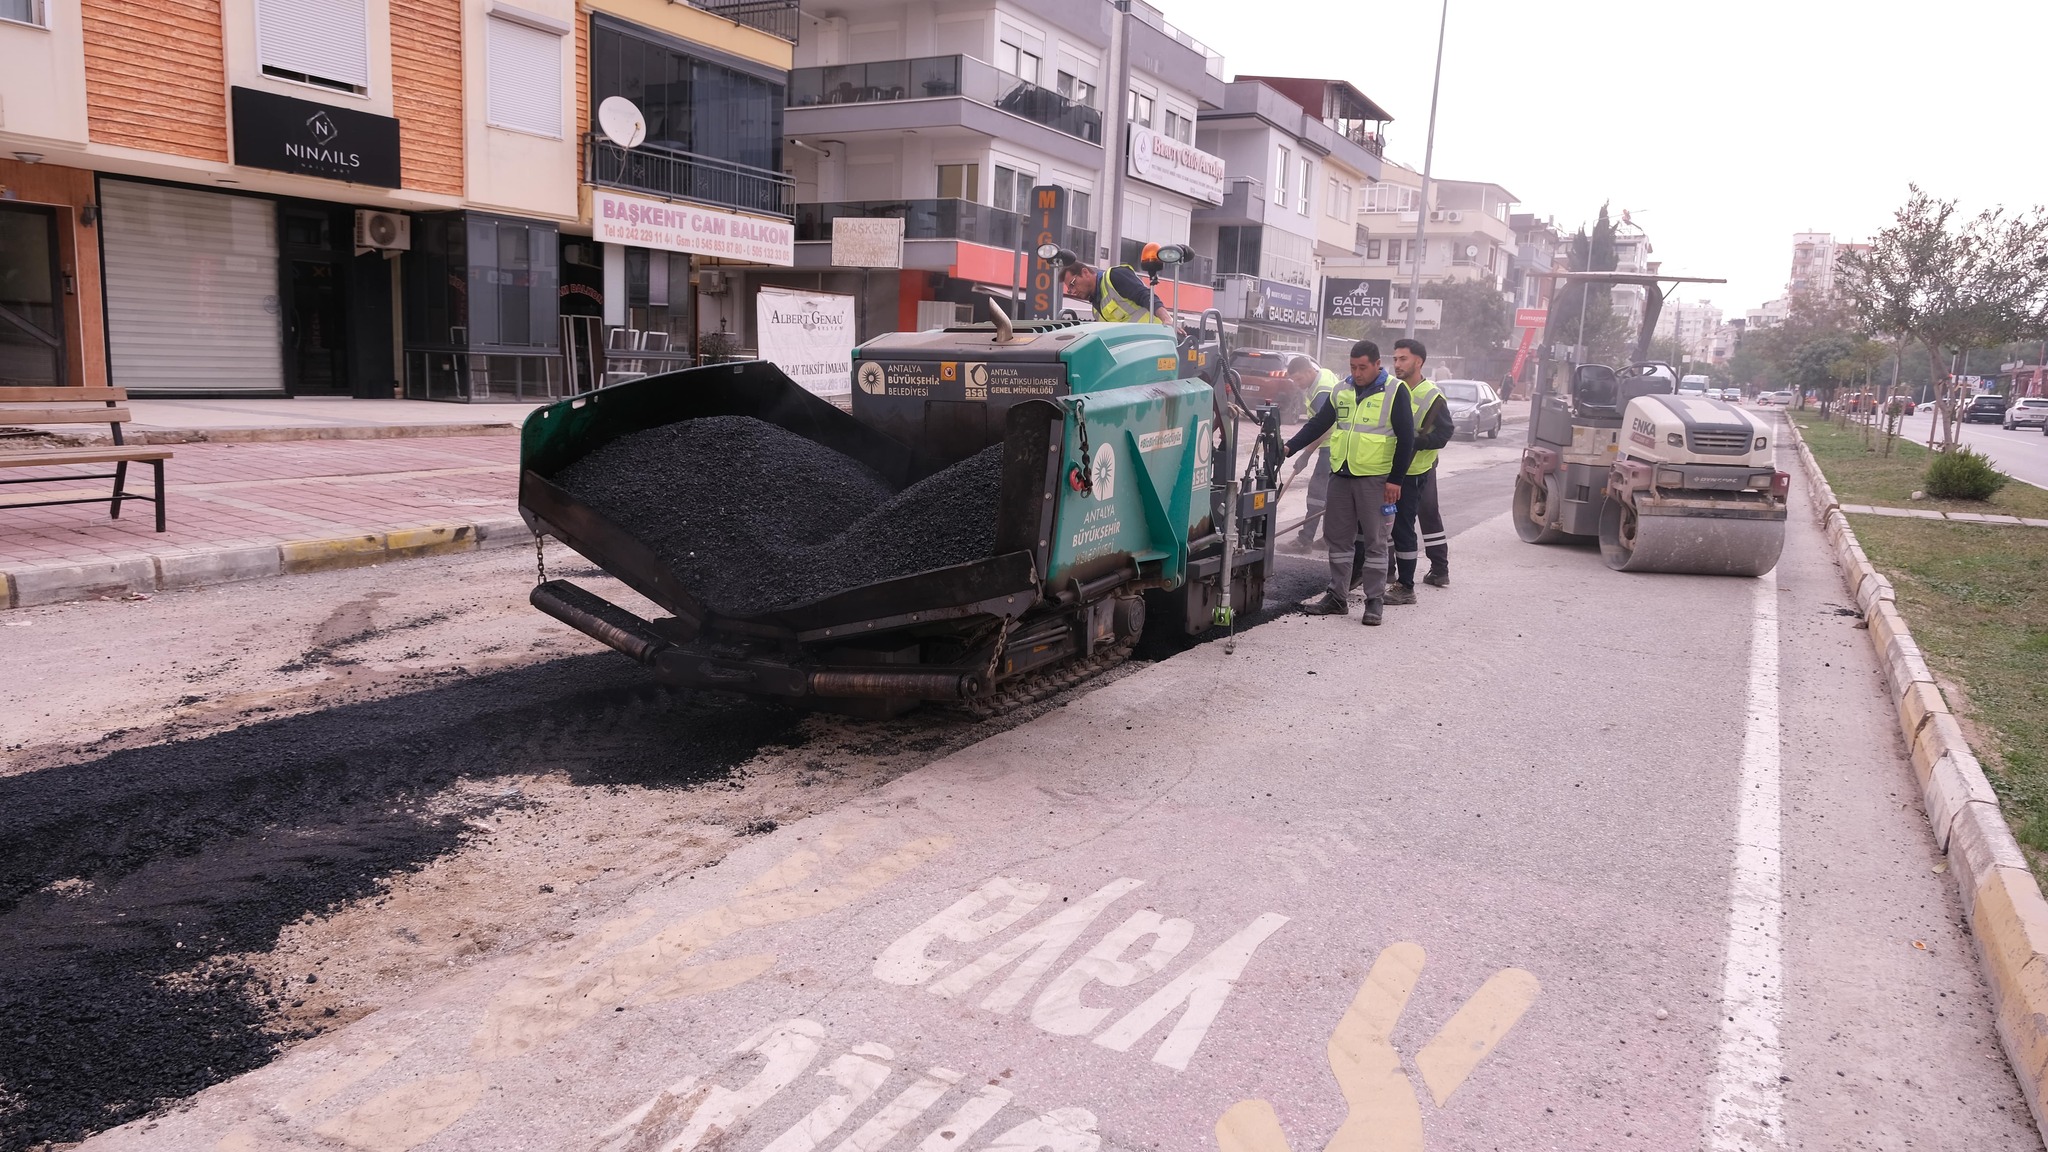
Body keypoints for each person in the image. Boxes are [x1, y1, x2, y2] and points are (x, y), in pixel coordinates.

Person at [1282, 340, 1414, 626]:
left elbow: (1407, 439)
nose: (1357, 373)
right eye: (1353, 367)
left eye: (1363, 367)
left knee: (1376, 542)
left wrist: (1396, 480)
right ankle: (1338, 596)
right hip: (1341, 476)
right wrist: (1289, 447)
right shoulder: (1342, 390)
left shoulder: (1395, 391)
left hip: (1375, 480)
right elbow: (1320, 424)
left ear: (1378, 364)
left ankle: (1374, 601)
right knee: (1338, 540)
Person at [1384, 338, 1453, 603]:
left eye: (1403, 359)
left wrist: (1419, 442)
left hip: (1415, 471)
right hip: (1388, 468)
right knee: (1387, 522)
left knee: (1403, 525)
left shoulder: (1431, 396)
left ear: (1418, 362)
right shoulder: (1392, 389)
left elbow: (1445, 433)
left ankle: (1408, 584)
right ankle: (1387, 571)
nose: (1397, 364)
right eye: (1395, 359)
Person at [1285, 355, 1341, 551]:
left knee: (1317, 493)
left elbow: (1324, 427)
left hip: (1331, 446)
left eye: (1299, 379)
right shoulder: (1323, 374)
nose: (1297, 384)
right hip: (1334, 445)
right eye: (1294, 380)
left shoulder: (1322, 391)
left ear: (1309, 371)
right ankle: (1328, 538)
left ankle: (1305, 540)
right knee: (1328, 494)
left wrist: (1306, 453)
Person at [1059, 261, 1173, 325]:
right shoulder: (1096, 310)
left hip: (1155, 340)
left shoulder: (1114, 277)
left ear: (1085, 273)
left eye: (1073, 284)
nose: (1072, 291)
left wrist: (1167, 320)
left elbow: (1145, 295)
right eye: (1069, 289)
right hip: (1133, 353)